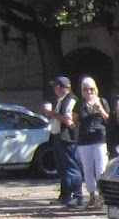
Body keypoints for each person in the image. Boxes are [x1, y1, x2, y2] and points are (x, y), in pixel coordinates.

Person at [73, 77, 110, 209]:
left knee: (101, 169)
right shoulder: (80, 104)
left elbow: (109, 120)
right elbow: (74, 121)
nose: (89, 92)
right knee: (88, 170)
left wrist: (101, 110)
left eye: (91, 89)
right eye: (85, 89)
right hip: (84, 140)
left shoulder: (102, 101)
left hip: (99, 139)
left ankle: (102, 197)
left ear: (96, 89)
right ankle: (92, 197)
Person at [46, 76, 82, 208]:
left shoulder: (71, 100)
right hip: (59, 137)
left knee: (71, 167)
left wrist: (51, 113)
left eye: (55, 87)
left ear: (59, 87)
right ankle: (65, 195)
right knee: (62, 168)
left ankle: (77, 195)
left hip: (67, 138)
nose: (54, 90)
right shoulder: (61, 100)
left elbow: (68, 120)